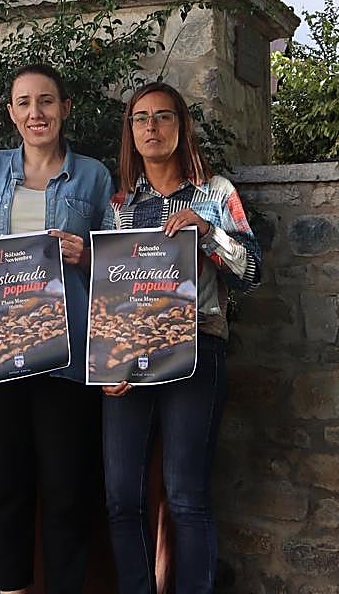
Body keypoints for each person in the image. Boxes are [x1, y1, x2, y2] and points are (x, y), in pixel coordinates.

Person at [0, 64, 113, 594]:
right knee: (1, 489)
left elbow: (124, 269)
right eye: (24, 103)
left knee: (66, 492)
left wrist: (90, 256)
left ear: (65, 108)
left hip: (68, 357)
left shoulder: (94, 177)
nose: (36, 113)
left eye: (47, 102)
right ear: (10, 113)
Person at [100, 81, 261, 594]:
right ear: (130, 132)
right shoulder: (121, 203)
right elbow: (110, 290)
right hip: (129, 358)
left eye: (163, 116)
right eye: (141, 118)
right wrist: (107, 360)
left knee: (186, 495)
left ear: (181, 126)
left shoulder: (216, 193)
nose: (151, 127)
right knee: (121, 497)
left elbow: (252, 273)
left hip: (197, 352)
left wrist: (209, 234)